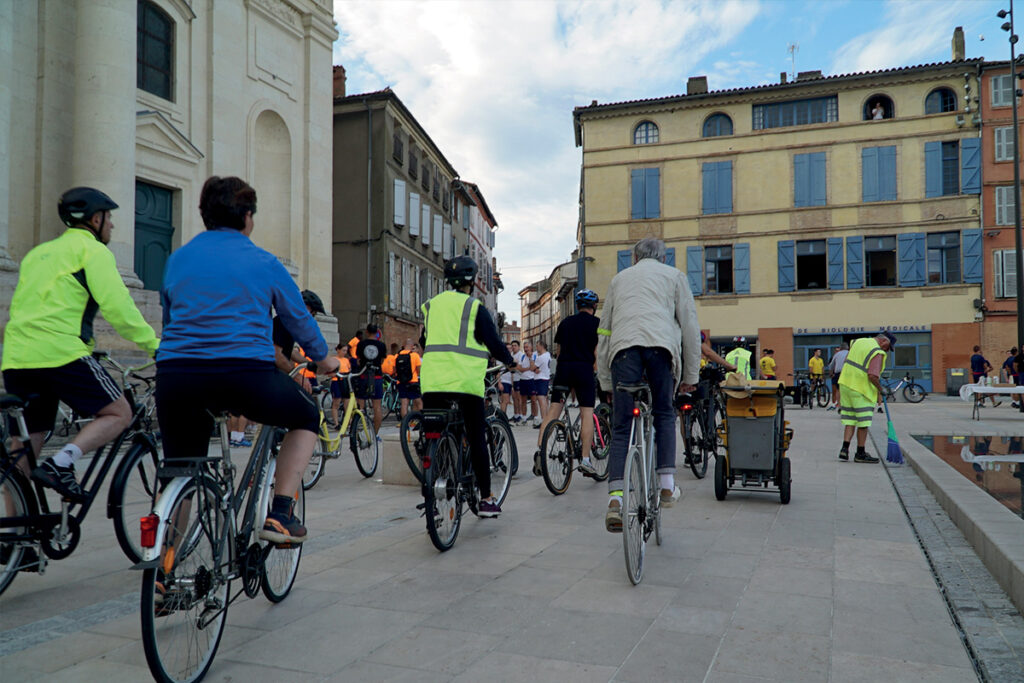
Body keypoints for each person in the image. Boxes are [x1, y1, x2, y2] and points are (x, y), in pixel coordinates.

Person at [156, 175, 339, 544]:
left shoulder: (178, 259)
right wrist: (324, 359)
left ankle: (164, 568)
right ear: (247, 217)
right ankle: (282, 511)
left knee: (179, 473)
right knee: (306, 415)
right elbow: (297, 318)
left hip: (177, 375)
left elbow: (169, 316)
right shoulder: (263, 260)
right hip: (242, 373)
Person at [1, 187, 160, 503]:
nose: (112, 225)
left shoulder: (36, 254)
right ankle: (62, 463)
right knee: (119, 412)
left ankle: (20, 540)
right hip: (61, 354)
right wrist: (155, 345)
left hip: (17, 358)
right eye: (109, 217)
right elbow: (119, 310)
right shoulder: (93, 251)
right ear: (96, 218)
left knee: (22, 450)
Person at [598, 238, 701, 532]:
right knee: (665, 414)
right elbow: (690, 327)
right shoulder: (675, 277)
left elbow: (604, 330)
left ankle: (615, 500)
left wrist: (606, 379)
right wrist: (690, 376)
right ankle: (667, 486)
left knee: (621, 427)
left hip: (624, 352)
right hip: (660, 349)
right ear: (664, 258)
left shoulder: (619, 279)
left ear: (634, 258)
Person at [419, 255, 515, 517]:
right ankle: (485, 499)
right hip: (465, 382)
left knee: (432, 436)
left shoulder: (431, 306)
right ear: (471, 282)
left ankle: (430, 496)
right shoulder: (474, 308)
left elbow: (424, 340)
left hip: (433, 381)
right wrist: (510, 362)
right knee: (476, 438)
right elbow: (493, 342)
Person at [534, 289, 601, 476]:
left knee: (553, 410)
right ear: (594, 306)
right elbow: (596, 352)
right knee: (587, 412)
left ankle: (540, 451)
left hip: (564, 369)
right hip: (584, 369)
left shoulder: (565, 323)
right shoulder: (597, 324)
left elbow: (559, 350)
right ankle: (586, 460)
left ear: (577, 306)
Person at [836, 331, 895, 464]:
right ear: (884, 342)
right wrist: (881, 389)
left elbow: (847, 361)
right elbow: (872, 375)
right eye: (888, 348)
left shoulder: (858, 342)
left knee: (849, 419)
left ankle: (844, 449)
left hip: (845, 385)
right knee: (863, 423)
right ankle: (860, 453)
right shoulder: (877, 352)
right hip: (861, 389)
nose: (887, 351)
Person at [357, 324, 387, 435]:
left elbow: (359, 360)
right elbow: (382, 360)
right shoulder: (381, 345)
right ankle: (375, 433)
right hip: (377, 376)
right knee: (377, 407)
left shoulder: (361, 344)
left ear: (367, 332)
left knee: (360, 405)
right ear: (377, 332)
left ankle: (359, 429)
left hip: (363, 375)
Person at [394, 338, 423, 418]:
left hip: (401, 382)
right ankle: (422, 421)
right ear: (412, 346)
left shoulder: (397, 356)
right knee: (418, 402)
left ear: (403, 345)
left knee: (404, 403)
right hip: (413, 381)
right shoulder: (415, 356)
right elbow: (419, 370)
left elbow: (394, 370)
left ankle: (404, 423)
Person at [329, 343, 353, 428]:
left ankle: (349, 422)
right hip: (336, 381)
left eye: (346, 351)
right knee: (336, 402)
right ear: (338, 350)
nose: (344, 352)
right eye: (343, 350)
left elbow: (349, 369)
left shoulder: (346, 360)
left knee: (347, 402)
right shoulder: (333, 359)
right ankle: (336, 423)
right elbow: (329, 373)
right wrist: (333, 374)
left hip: (345, 381)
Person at [531, 340, 552, 428]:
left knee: (541, 400)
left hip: (540, 379)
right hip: (545, 378)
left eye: (537, 346)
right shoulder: (548, 355)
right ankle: (546, 419)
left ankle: (544, 421)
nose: (536, 348)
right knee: (545, 400)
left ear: (542, 346)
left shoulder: (541, 357)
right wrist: (536, 369)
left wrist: (532, 362)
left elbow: (532, 367)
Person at [517, 339, 537, 423]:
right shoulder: (522, 356)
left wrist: (530, 358)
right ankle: (524, 417)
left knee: (533, 400)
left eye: (527, 347)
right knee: (523, 400)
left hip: (531, 380)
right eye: (524, 347)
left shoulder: (535, 355)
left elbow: (533, 367)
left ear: (531, 347)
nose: (526, 349)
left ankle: (535, 416)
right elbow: (519, 369)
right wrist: (528, 368)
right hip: (523, 380)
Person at [827, 343, 849, 411]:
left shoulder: (837, 354)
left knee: (838, 390)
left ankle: (839, 406)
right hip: (847, 373)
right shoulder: (850, 353)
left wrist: (831, 374)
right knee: (848, 389)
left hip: (838, 374)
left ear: (841, 348)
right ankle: (847, 405)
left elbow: (831, 365)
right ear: (847, 348)